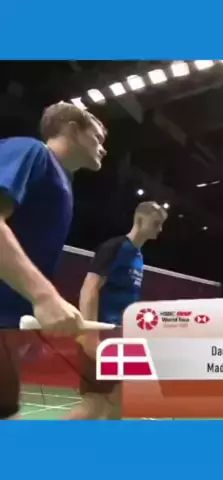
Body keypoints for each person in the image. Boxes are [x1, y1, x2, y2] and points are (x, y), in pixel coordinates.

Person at [0, 102, 107, 420]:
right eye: (98, 137)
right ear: (72, 128)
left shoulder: (64, 186)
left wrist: (24, 321)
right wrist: (44, 298)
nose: (103, 148)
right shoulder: (31, 151)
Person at [63, 201, 167, 420]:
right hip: (102, 336)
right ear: (140, 220)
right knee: (94, 405)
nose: (160, 229)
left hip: (122, 338)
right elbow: (89, 288)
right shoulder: (115, 247)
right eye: (156, 223)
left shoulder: (138, 257)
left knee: (121, 399)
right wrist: (90, 336)